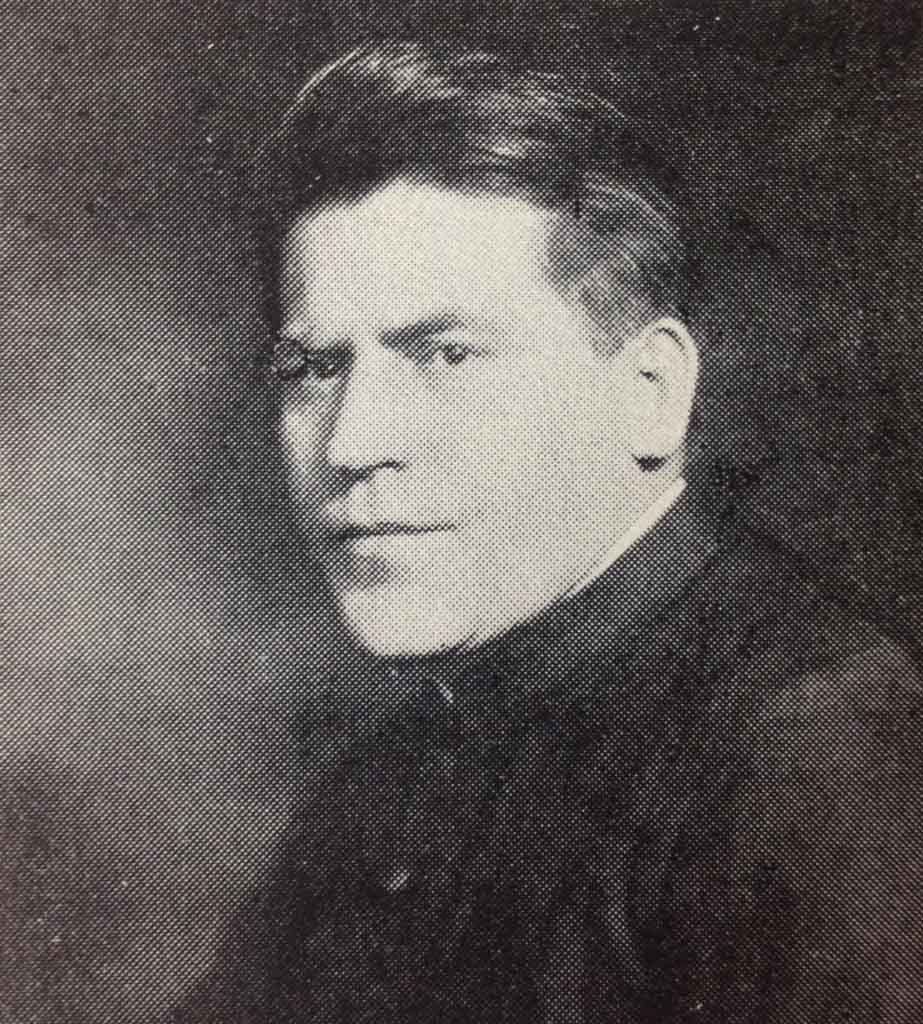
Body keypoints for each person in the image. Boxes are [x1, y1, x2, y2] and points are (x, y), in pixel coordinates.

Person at [173, 38, 923, 1023]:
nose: (352, 444)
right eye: (313, 369)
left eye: (444, 356)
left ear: (648, 392)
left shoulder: (808, 750)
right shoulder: (381, 782)